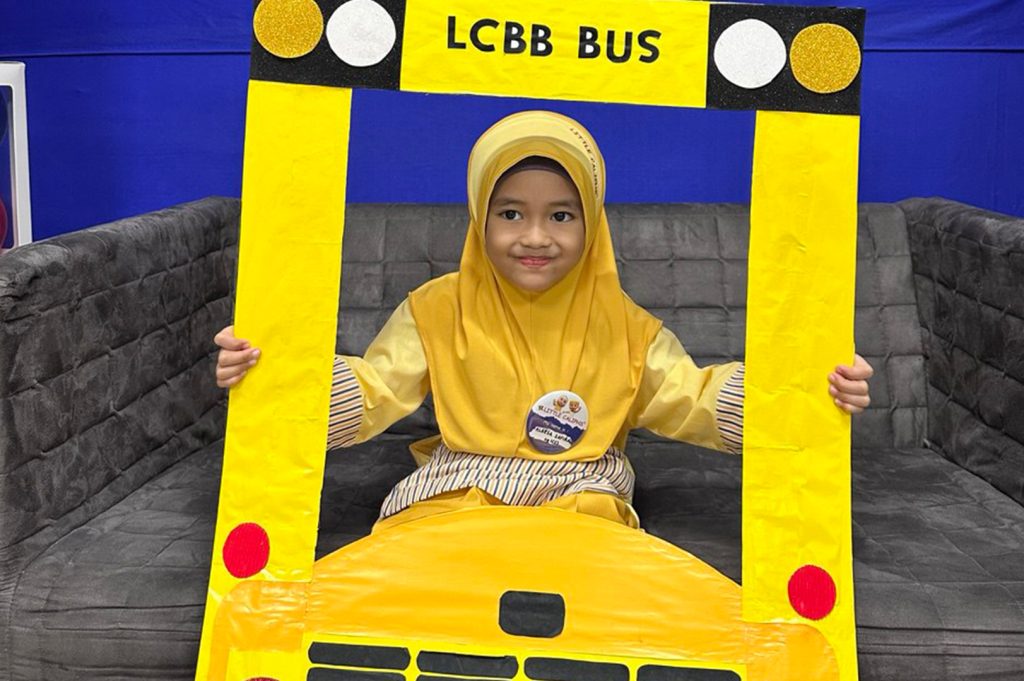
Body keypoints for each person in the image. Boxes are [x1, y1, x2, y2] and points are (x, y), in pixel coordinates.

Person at [214, 110, 872, 531]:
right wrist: (273, 374)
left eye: (561, 214)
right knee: (418, 548)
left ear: (593, 224)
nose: (535, 236)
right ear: (479, 219)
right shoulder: (437, 308)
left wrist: (805, 389)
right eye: (510, 213)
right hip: (461, 482)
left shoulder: (627, 328)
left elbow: (694, 396)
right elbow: (374, 386)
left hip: (583, 488)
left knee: (590, 561)